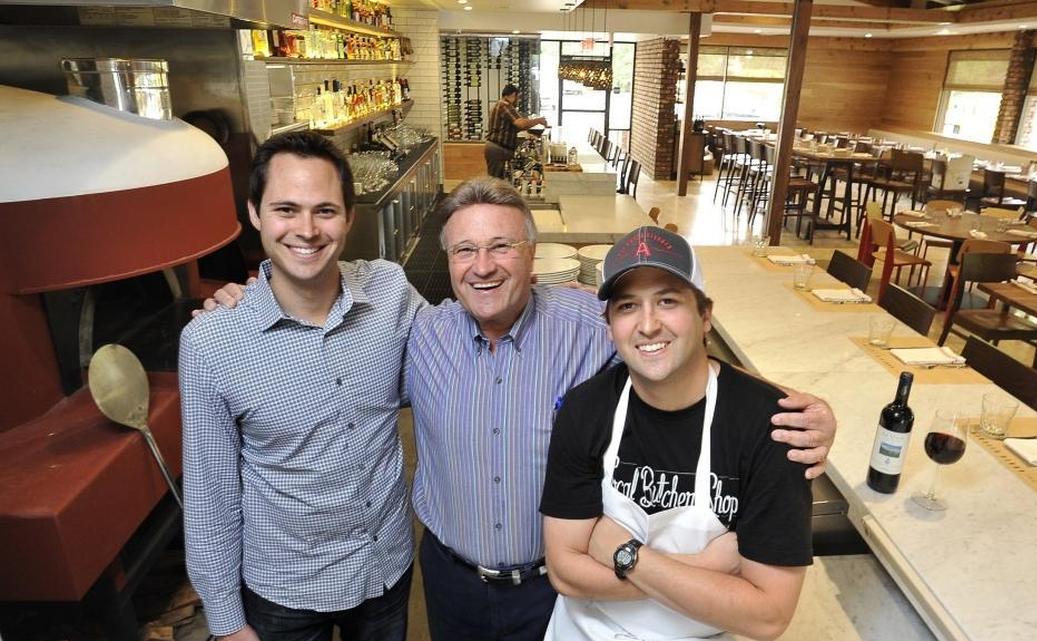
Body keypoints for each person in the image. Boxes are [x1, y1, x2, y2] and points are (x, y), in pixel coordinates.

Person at [201, 177, 837, 641]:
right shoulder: (416, 333)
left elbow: (671, 347)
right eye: (463, 252)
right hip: (449, 581)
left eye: (502, 247)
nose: (483, 268)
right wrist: (254, 294)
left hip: (557, 587)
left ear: (534, 256)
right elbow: (326, 355)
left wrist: (785, 407)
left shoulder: (590, 323)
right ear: (445, 262)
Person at [179, 131, 424, 641]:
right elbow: (210, 493)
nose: (307, 230)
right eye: (286, 209)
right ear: (255, 213)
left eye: (325, 210)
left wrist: (572, 308)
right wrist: (226, 623)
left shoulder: (389, 292)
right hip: (285, 591)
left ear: (350, 216)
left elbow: (461, 346)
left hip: (386, 569)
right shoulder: (211, 341)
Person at [540, 226, 813, 641]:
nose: (648, 325)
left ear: (705, 315)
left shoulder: (770, 427)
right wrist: (707, 568)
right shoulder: (586, 409)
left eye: (667, 301)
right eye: (628, 306)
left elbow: (767, 614)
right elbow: (566, 573)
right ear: (610, 324)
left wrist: (625, 554)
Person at [485, 84, 547, 179]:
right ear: (514, 95)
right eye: (519, 97)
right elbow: (521, 124)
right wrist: (538, 120)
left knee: (498, 180)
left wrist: (531, 130)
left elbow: (513, 127)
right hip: (497, 150)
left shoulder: (500, 105)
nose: (519, 100)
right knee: (496, 182)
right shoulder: (504, 106)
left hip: (496, 149)